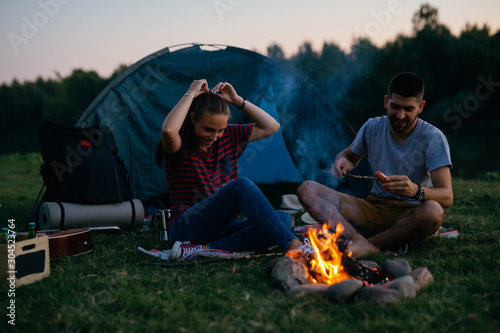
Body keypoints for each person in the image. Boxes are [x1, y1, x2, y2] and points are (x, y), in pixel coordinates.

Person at [297, 72, 453, 258]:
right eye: (395, 107)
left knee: (434, 212)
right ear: (386, 101)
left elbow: (446, 195)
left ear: (421, 107)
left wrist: (415, 190)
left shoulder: (433, 138)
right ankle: (358, 240)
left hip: (410, 213)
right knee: (307, 189)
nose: (400, 115)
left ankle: (369, 244)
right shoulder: (372, 127)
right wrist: (343, 162)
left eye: (408, 109)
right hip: (372, 208)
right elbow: (348, 156)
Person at [156, 79, 312, 260]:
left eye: (220, 130)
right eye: (208, 130)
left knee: (284, 220)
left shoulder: (229, 135)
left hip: (223, 227)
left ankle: (204, 249)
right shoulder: (179, 145)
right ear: (192, 119)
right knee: (240, 186)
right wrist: (191, 92)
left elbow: (271, 126)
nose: (214, 137)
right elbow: (168, 130)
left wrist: (238, 100)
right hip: (187, 226)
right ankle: (292, 244)